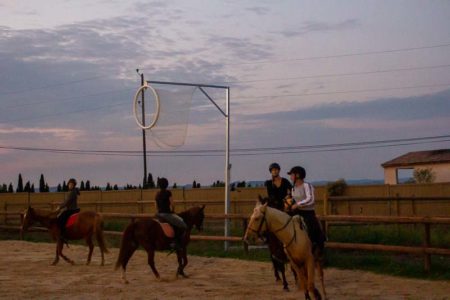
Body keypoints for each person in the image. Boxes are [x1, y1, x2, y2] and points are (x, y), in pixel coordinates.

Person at [285, 166, 326, 252]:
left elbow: (310, 199)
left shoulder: (307, 186)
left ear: (298, 175)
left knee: (313, 228)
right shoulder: (293, 188)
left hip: (308, 213)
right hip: (296, 212)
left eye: (292, 175)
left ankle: (318, 247)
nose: (290, 177)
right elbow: (293, 200)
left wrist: (297, 205)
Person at [155, 177, 187, 250]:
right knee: (183, 225)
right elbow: (172, 204)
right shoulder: (168, 193)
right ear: (166, 184)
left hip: (159, 215)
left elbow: (155, 205)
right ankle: (175, 242)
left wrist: (159, 212)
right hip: (167, 214)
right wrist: (173, 211)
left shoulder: (157, 194)